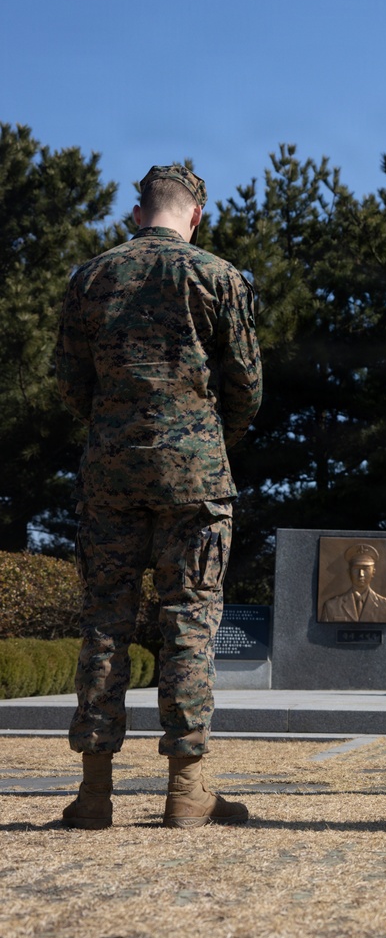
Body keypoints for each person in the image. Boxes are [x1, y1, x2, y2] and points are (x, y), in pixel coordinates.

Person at [54, 163, 262, 829]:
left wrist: (114, 424)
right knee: (190, 627)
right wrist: (204, 436)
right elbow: (246, 386)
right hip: (195, 479)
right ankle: (186, 788)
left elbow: (68, 380)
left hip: (110, 475)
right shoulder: (220, 277)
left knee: (105, 625)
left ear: (136, 210)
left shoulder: (90, 277)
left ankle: (93, 792)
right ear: (195, 214)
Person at [321, 542, 386, 622]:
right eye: (356, 569)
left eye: (366, 569)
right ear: (349, 572)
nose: (361, 574)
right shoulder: (331, 606)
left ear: (373, 572)